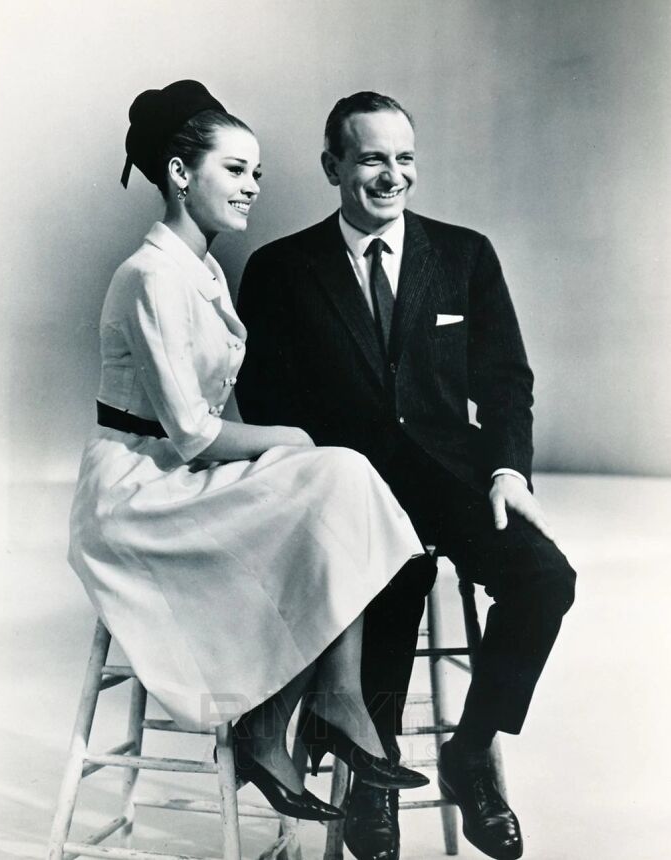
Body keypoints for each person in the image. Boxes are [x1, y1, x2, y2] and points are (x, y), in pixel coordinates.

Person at [68, 80, 430, 825]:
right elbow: (195, 433)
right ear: (179, 173)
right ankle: (313, 708)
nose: (252, 189)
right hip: (136, 494)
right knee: (332, 469)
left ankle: (299, 714)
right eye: (235, 170)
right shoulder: (150, 275)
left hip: (177, 477)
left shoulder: (200, 271)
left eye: (257, 174)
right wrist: (291, 440)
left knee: (337, 480)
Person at [236, 91, 577, 860]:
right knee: (393, 585)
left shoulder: (464, 255)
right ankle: (374, 770)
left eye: (404, 159)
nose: (392, 176)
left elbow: (505, 380)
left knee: (546, 580)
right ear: (332, 167)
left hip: (457, 478)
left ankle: (471, 750)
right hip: (347, 490)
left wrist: (506, 471)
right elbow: (263, 401)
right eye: (370, 159)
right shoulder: (280, 270)